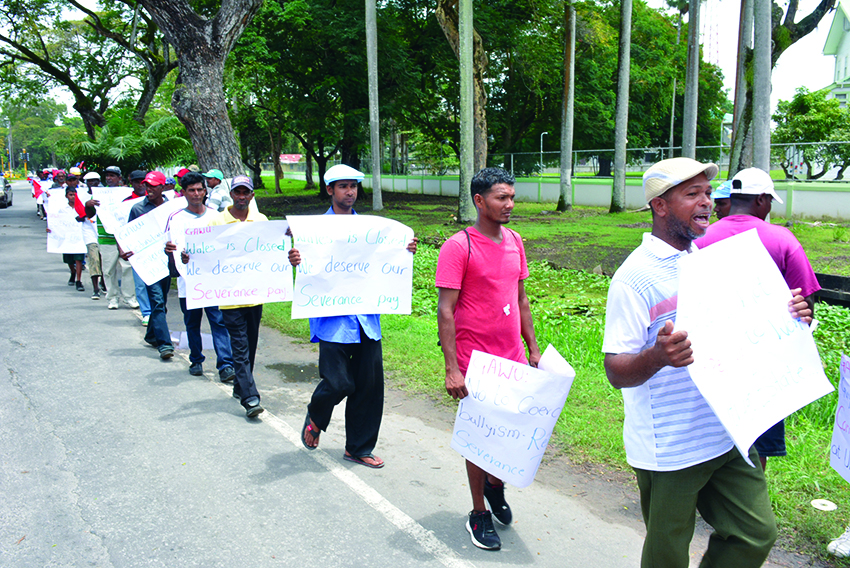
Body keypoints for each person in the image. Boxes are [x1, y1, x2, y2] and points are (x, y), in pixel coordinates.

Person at [602, 157, 813, 568]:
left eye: (707, 192)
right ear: (660, 206)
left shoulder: (713, 261)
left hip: (727, 430)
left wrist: (792, 314)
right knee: (668, 553)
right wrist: (658, 356)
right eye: (692, 193)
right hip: (672, 446)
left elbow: (747, 325)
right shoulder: (634, 279)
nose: (707, 202)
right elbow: (615, 370)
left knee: (755, 533)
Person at [434, 167, 540, 551]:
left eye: (511, 196)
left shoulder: (514, 240)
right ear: (479, 201)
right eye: (501, 197)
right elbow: (446, 311)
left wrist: (533, 347)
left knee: (508, 434)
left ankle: (495, 487)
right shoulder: (459, 246)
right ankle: (478, 512)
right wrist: (452, 368)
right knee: (479, 439)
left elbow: (521, 298)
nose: (509, 204)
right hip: (475, 363)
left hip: (511, 359)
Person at [289, 164, 417, 468]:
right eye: (343, 186)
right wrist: (296, 259)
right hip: (332, 320)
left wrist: (404, 250)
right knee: (339, 384)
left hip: (366, 320)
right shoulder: (314, 231)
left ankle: (358, 448)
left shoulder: (374, 231)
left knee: (369, 388)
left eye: (354, 186)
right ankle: (316, 416)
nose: (350, 192)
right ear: (330, 190)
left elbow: (386, 260)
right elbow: (305, 263)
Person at [694, 167, 821, 471]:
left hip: (713, 360)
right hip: (766, 367)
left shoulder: (700, 239)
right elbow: (806, 302)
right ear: (762, 200)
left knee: (710, 435)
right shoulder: (782, 239)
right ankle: (749, 496)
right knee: (758, 440)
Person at [185, 175, 266, 417]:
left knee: (250, 345)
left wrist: (285, 238)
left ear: (252, 195)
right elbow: (202, 252)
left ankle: (241, 387)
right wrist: (190, 258)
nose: (242, 197)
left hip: (254, 295)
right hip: (229, 297)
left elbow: (271, 251)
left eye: (246, 193)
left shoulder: (261, 220)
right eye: (238, 192)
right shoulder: (217, 221)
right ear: (231, 194)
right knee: (239, 346)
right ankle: (251, 398)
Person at [164, 172, 236, 382]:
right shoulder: (176, 219)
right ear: (184, 193)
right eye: (191, 190)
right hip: (188, 282)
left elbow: (226, 245)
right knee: (192, 323)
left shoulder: (216, 216)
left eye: (200, 190)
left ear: (205, 191)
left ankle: (226, 364)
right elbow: (171, 248)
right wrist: (175, 254)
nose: (196, 194)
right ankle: (196, 360)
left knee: (219, 322)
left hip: (213, 281)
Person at [120, 171, 174, 360]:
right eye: (146, 185)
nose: (148, 189)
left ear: (162, 187)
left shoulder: (172, 208)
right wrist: (124, 251)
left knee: (162, 302)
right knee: (157, 301)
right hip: (148, 262)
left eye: (152, 186)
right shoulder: (137, 208)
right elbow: (127, 233)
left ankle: (152, 334)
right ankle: (165, 345)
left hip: (167, 261)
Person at [89, 167, 139, 310]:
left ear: (119, 178)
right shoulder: (99, 194)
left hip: (124, 236)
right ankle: (112, 298)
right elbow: (88, 213)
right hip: (106, 237)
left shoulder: (127, 193)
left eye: (112, 176)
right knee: (109, 269)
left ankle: (129, 297)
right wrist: (89, 205)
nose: (109, 178)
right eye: (107, 176)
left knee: (127, 267)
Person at [126, 170, 152, 324]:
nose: (141, 185)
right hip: (139, 249)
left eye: (144, 182)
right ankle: (146, 312)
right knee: (140, 283)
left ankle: (158, 311)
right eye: (138, 182)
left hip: (158, 250)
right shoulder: (132, 205)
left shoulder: (164, 203)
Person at [80, 172, 104, 299]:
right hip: (89, 230)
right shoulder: (82, 195)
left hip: (103, 230)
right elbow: (78, 212)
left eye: (94, 181)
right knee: (93, 259)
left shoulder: (105, 194)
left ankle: (104, 283)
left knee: (104, 259)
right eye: (89, 181)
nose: (92, 183)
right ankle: (95, 288)